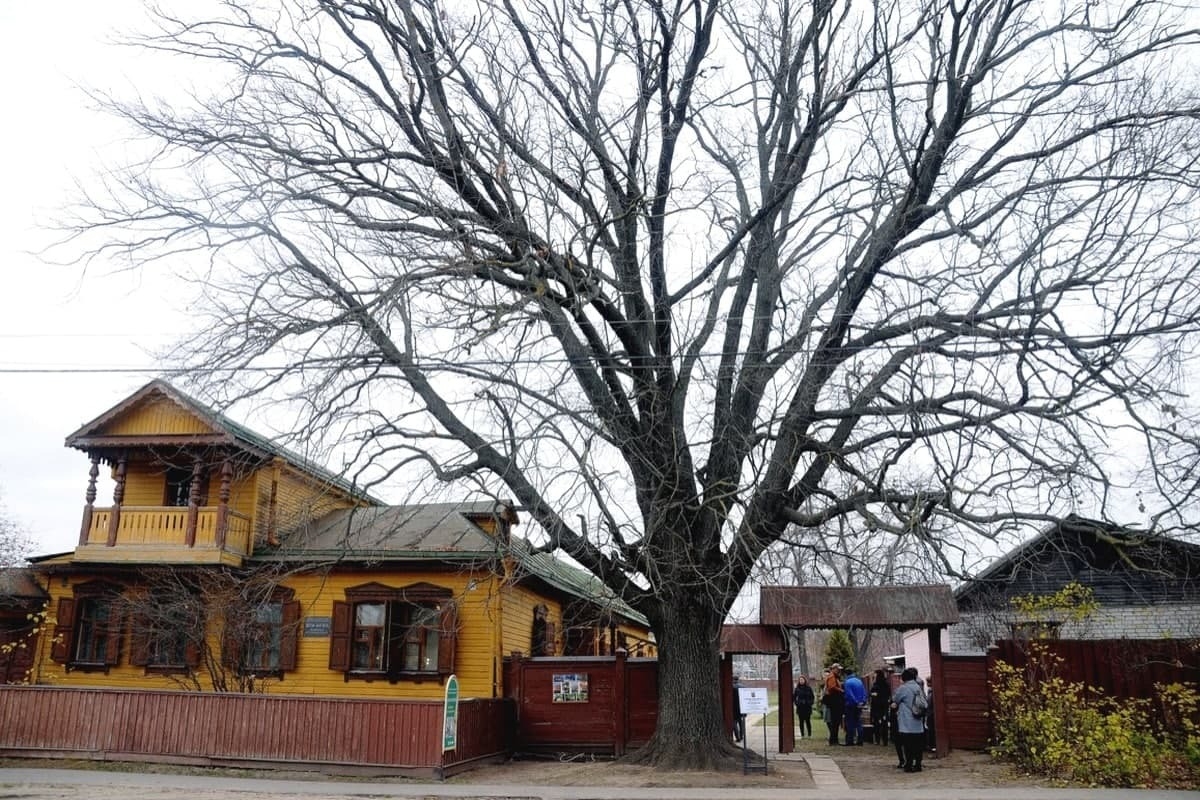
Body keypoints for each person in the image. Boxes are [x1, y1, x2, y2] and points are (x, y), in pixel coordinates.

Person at [891, 667, 926, 773]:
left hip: (907, 722)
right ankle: (918, 764)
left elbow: (895, 699)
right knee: (918, 745)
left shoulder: (903, 688)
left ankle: (909, 765)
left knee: (908, 745)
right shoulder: (918, 687)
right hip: (918, 721)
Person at [842, 667, 866, 745]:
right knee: (858, 722)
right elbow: (864, 692)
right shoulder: (859, 681)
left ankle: (850, 740)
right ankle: (860, 740)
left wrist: (855, 702)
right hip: (859, 704)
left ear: (846, 674)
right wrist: (862, 702)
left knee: (850, 723)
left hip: (851, 705)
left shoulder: (847, 682)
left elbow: (849, 694)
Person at [823, 663, 845, 745]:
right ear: (834, 669)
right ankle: (833, 740)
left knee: (835, 721)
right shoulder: (832, 676)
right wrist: (841, 690)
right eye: (838, 669)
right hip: (834, 700)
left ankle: (834, 739)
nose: (839, 671)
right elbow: (832, 687)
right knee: (835, 721)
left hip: (834, 700)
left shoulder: (834, 676)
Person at [870, 669, 892, 745]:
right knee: (884, 722)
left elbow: (873, 693)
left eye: (875, 674)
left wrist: (874, 695)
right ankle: (884, 740)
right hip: (884, 705)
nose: (874, 675)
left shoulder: (877, 684)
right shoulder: (886, 684)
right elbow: (888, 694)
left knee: (877, 723)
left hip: (877, 705)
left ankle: (878, 739)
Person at [731, 674, 745, 743]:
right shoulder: (743, 686)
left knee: (734, 723)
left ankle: (737, 737)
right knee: (741, 722)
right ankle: (741, 736)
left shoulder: (731, 687)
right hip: (742, 707)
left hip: (734, 708)